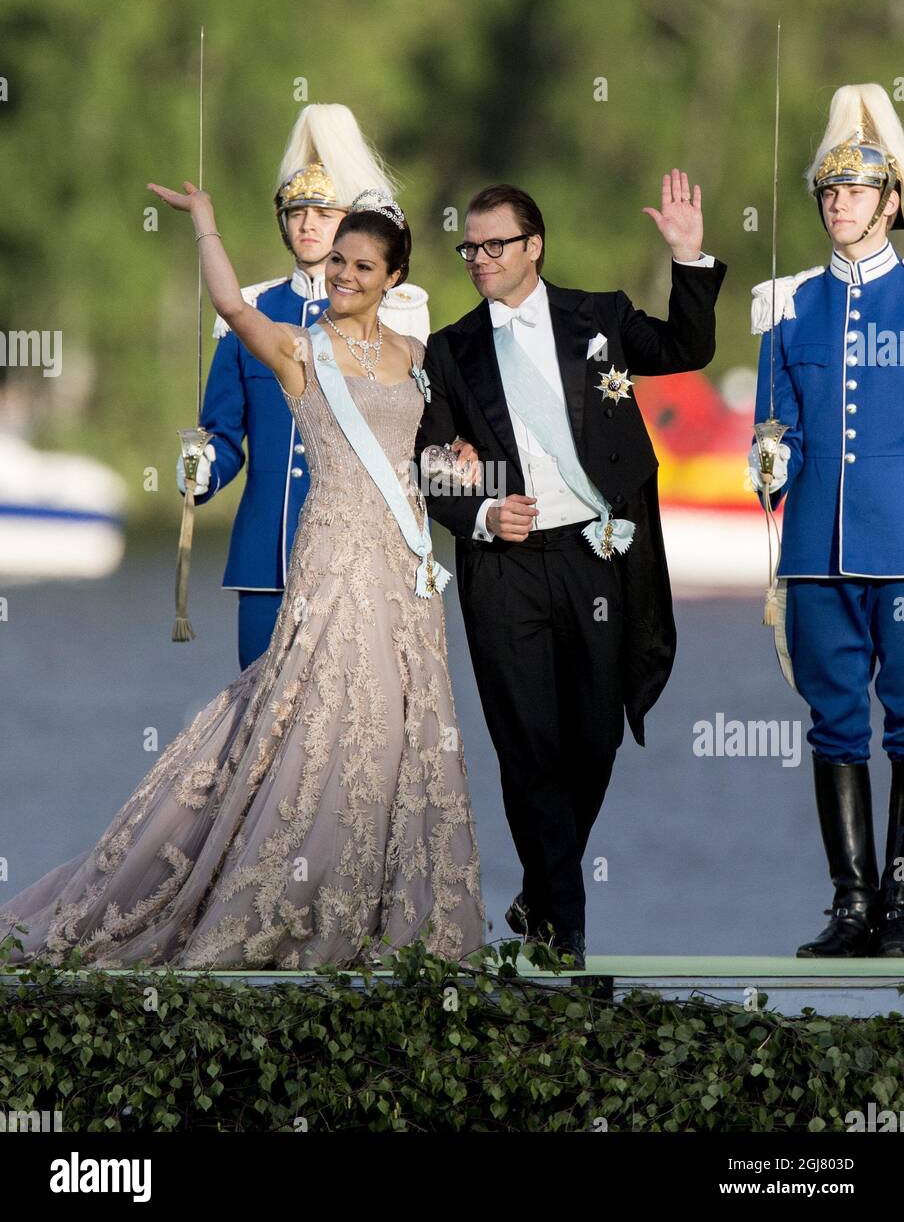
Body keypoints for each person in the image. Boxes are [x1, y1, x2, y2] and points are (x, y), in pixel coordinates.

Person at [0, 185, 484, 971]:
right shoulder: (298, 348)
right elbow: (229, 303)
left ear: (394, 278)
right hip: (331, 560)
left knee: (397, 733)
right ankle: (286, 904)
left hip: (405, 569)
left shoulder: (419, 361)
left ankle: (375, 913)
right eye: (338, 262)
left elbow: (419, 460)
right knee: (321, 727)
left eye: (363, 265)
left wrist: (455, 462)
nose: (345, 275)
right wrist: (206, 226)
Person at [414, 178, 726, 967]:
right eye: (470, 248)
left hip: (598, 557)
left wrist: (688, 256)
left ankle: (542, 889)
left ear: (534, 246)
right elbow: (433, 464)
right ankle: (564, 936)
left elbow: (687, 350)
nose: (479, 259)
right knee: (528, 746)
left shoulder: (601, 318)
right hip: (507, 566)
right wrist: (484, 511)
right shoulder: (450, 351)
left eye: (494, 245)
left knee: (592, 738)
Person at [179, 102, 431, 670]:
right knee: (260, 722)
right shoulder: (253, 310)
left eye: (323, 211)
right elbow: (222, 432)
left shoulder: (401, 312)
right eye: (297, 211)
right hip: (269, 551)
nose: (309, 224)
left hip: (360, 553)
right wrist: (200, 470)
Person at [748, 83, 904, 958]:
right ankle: (853, 904)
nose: (840, 203)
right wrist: (770, 460)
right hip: (815, 550)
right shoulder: (788, 304)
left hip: (902, 544)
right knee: (834, 721)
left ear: (892, 201)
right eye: (830, 192)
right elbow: (782, 424)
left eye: (858, 191)